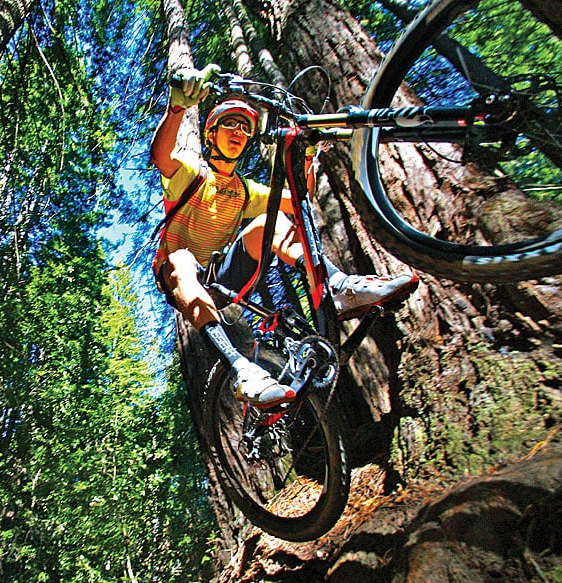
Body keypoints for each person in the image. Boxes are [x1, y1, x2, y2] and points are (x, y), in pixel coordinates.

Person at [151, 65, 419, 408]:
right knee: (181, 259)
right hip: (180, 277)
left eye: (245, 128)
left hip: (221, 280)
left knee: (270, 220)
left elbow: (299, 198)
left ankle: (339, 288)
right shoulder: (192, 174)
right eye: (230, 124)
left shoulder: (245, 190)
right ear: (211, 134)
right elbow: (161, 156)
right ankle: (242, 370)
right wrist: (177, 108)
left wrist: (307, 153)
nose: (238, 131)